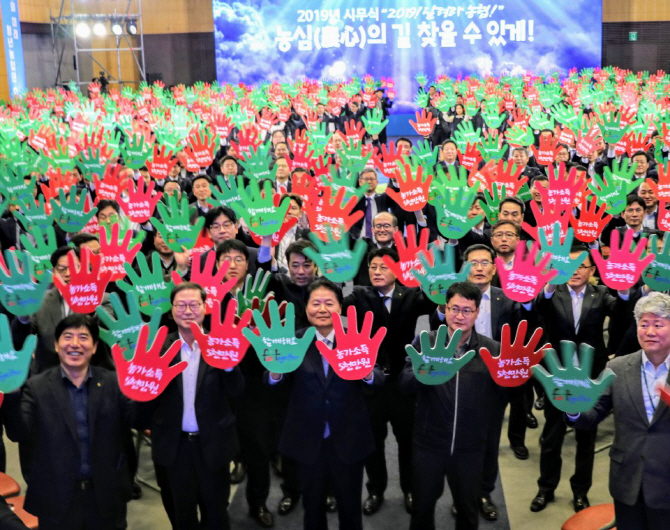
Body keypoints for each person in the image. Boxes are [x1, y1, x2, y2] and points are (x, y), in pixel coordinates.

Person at [268, 278, 384, 530]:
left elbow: (377, 381)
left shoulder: (353, 338)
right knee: (312, 508)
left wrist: (367, 372)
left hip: (348, 438)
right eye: (315, 303)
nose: (322, 309)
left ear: (339, 308)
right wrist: (275, 372)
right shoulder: (292, 342)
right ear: (305, 307)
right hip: (308, 439)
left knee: (350, 507)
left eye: (329, 303)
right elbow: (275, 386)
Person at [4, 314, 133, 530]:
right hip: (57, 497)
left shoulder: (113, 382)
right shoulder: (37, 387)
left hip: (106, 493)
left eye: (83, 337)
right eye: (67, 337)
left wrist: (146, 389)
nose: (75, 344)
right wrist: (11, 393)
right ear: (56, 345)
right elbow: (19, 433)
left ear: (94, 347)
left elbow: (138, 419)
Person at [530, 246, 635, 514]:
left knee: (586, 437)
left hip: (590, 377)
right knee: (552, 435)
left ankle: (580, 491)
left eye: (582, 266)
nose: (575, 270)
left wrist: (624, 291)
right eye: (570, 265)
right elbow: (537, 307)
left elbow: (622, 315)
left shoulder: (601, 294)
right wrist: (552, 282)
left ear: (591, 270)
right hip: (559, 375)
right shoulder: (553, 292)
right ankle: (546, 488)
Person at [135, 282, 244, 530]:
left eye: (194, 304)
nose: (187, 310)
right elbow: (140, 410)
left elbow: (237, 391)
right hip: (174, 448)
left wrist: (228, 365)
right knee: (181, 515)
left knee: (216, 513)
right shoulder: (158, 347)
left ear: (205, 308)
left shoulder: (220, 343)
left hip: (213, 444)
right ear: (171, 310)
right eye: (180, 305)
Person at [400, 282, 504, 530]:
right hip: (429, 444)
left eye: (467, 310)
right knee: (422, 508)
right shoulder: (426, 343)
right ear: (445, 310)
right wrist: (424, 374)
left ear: (477, 312)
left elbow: (503, 395)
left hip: (470, 447)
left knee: (468, 511)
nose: (459, 316)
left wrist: (516, 379)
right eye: (454, 309)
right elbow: (404, 383)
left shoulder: (492, 350)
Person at [343, 248, 436, 516]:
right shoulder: (360, 294)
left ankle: (410, 489)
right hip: (370, 381)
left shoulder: (409, 294)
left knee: (407, 441)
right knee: (373, 442)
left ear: (397, 270)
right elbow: (336, 304)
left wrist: (432, 279)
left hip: (403, 382)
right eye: (372, 267)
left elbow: (435, 303)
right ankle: (375, 490)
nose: (376, 271)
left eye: (383, 267)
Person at [567, 292, 670, 529]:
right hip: (628, 479)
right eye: (644, 324)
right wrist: (573, 409)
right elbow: (592, 416)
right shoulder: (617, 367)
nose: (650, 331)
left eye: (658, 324)